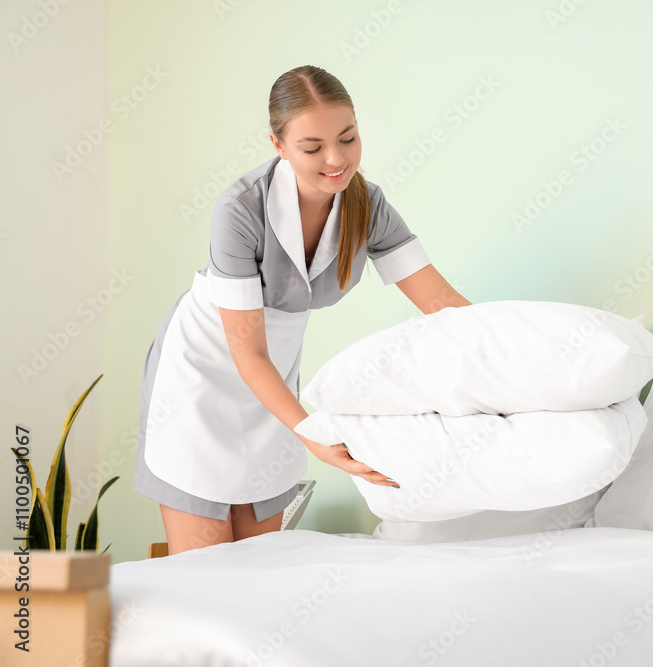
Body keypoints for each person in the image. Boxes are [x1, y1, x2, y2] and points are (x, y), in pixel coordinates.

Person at [134, 65, 472, 555]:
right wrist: (314, 434)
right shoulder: (241, 209)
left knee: (258, 563)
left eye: (348, 138)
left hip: (274, 382)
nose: (336, 159)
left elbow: (444, 305)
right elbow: (246, 350)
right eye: (312, 148)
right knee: (203, 570)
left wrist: (513, 353)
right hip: (201, 376)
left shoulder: (366, 205)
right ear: (278, 145)